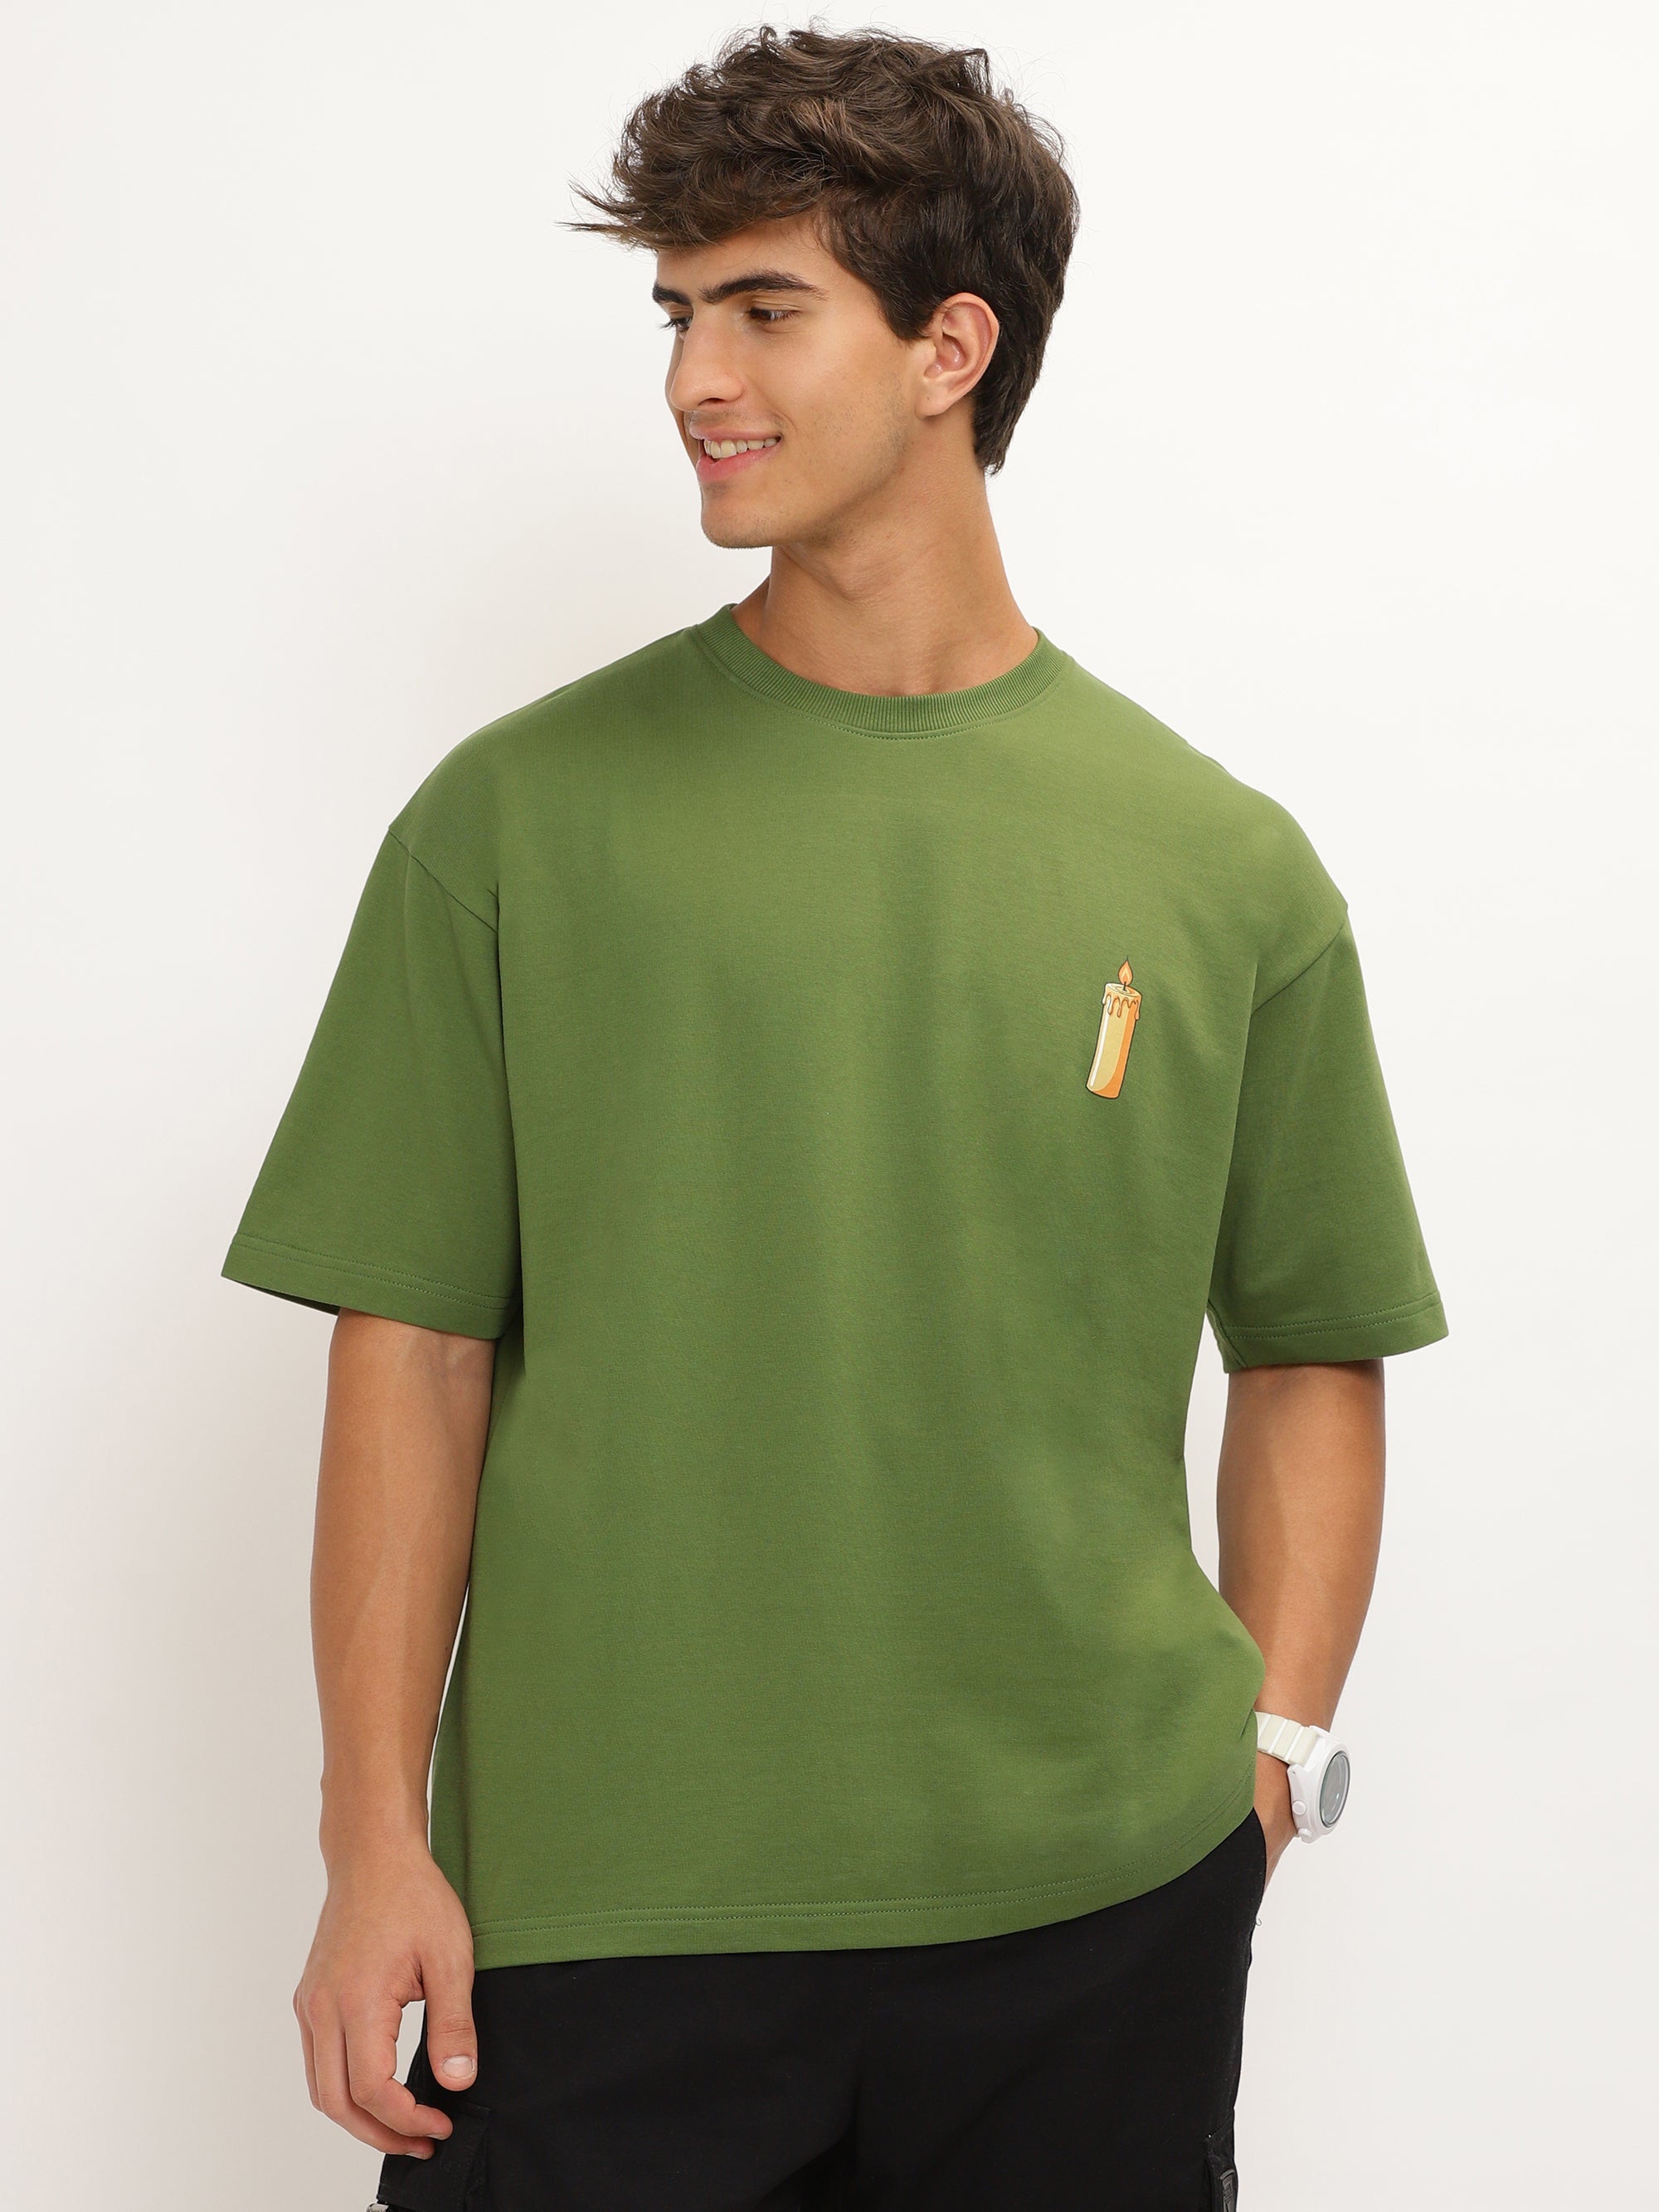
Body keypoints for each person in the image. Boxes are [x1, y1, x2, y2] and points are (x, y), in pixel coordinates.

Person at [224, 25, 1447, 2210]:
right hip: (605, 1913)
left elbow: (1311, 1344)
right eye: (678, 315)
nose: (697, 377)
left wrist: (1263, 1766)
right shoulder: (512, 823)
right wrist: (371, 1838)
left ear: (950, 348)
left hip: (1097, 1910)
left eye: (764, 309)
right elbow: (409, 1349)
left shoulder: (1221, 864)